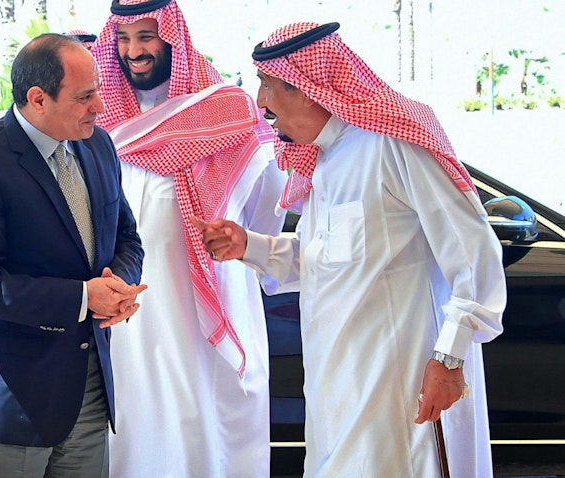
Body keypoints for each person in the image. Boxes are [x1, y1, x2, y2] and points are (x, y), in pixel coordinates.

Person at [196, 22, 507, 477]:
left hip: (401, 381)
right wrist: (251, 247)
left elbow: (474, 252)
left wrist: (450, 358)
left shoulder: (395, 142)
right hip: (337, 382)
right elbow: (328, 259)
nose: (260, 103)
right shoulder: (323, 157)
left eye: (266, 85)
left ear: (305, 87)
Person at [90, 1, 286, 476]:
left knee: (205, 412)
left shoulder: (226, 108)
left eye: (146, 36)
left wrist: (235, 243)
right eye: (123, 38)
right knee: (136, 416)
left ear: (172, 37)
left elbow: (269, 199)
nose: (133, 51)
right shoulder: (97, 120)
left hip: (208, 291)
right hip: (126, 300)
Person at [0, 33, 146, 477]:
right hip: (14, 395)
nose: (100, 107)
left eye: (98, 92)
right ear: (38, 99)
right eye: (85, 96)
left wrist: (119, 286)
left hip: (89, 381)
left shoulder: (98, 145)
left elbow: (126, 235)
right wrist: (84, 298)